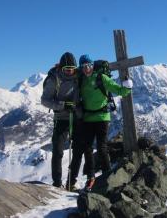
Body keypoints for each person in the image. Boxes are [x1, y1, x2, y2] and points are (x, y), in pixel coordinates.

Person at [69, 54, 133, 191]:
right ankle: (91, 178)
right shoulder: (81, 80)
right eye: (84, 66)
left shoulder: (101, 78)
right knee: (87, 148)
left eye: (89, 65)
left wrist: (127, 87)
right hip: (87, 118)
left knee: (102, 147)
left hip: (102, 117)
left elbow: (118, 90)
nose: (87, 69)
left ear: (93, 65)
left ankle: (108, 175)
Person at [41, 52, 81, 188]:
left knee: (77, 151)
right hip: (60, 118)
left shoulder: (79, 77)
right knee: (57, 151)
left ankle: (71, 182)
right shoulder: (55, 80)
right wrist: (61, 105)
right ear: (61, 69)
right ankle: (57, 183)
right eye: (66, 69)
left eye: (72, 69)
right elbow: (45, 100)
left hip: (76, 117)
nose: (70, 72)